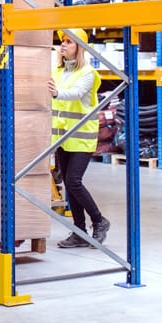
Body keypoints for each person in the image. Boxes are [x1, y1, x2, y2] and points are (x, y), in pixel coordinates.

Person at [49, 29, 111, 249]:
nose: (63, 45)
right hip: (61, 137)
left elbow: (75, 93)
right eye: (62, 41)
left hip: (81, 137)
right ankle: (79, 232)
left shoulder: (88, 73)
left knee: (74, 181)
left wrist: (56, 93)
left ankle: (99, 221)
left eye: (69, 42)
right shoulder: (56, 71)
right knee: (68, 184)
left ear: (79, 47)